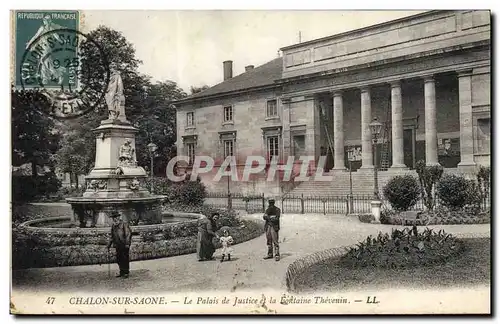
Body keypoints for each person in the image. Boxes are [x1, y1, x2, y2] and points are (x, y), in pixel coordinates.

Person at [107, 211, 132, 278]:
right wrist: (109, 244)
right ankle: (122, 272)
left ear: (118, 217)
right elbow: (112, 236)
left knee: (125, 258)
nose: (115, 219)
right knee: (119, 259)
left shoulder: (124, 224)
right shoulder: (113, 226)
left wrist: (127, 243)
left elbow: (128, 234)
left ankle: (126, 272)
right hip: (117, 245)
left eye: (116, 217)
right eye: (113, 218)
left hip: (124, 244)